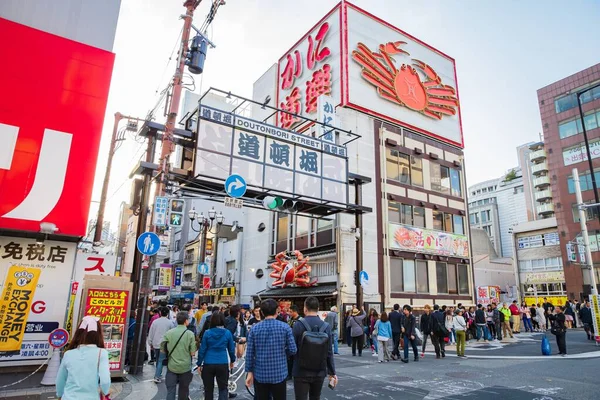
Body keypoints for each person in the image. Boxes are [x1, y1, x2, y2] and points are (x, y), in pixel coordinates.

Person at [245, 298, 297, 400]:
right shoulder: (285, 327)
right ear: (277, 310)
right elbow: (293, 349)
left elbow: (250, 353)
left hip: (260, 373)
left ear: (262, 312)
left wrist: (249, 372)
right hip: (279, 372)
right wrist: (282, 353)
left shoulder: (254, 329)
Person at [292, 297, 337, 400]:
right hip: (320, 370)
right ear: (318, 308)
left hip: (301, 370)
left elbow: (292, 349)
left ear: (305, 308)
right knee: (316, 397)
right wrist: (332, 372)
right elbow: (329, 351)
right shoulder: (326, 326)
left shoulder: (298, 325)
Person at [56, 316, 111, 399]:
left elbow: (60, 379)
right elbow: (105, 380)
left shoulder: (68, 354)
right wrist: (105, 392)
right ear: (99, 334)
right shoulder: (102, 353)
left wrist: (59, 395)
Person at [197, 312, 236, 400]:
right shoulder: (227, 333)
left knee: (208, 389)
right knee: (223, 389)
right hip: (222, 362)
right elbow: (231, 349)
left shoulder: (207, 333)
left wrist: (199, 363)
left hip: (208, 362)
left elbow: (202, 349)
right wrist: (232, 360)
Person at [161, 311, 197, 400]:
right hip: (185, 367)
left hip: (171, 366)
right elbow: (193, 353)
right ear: (186, 321)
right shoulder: (190, 334)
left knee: (170, 391)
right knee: (183, 391)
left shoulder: (169, 333)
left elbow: (162, 350)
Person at [148, 307, 174, 383]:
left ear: (160, 313)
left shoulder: (155, 322)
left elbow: (151, 332)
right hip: (165, 344)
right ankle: (157, 376)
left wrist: (150, 342)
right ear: (167, 314)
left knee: (159, 360)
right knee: (161, 360)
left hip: (156, 343)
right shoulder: (170, 323)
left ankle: (158, 373)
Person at [287, 305, 301, 380]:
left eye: (291, 312)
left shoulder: (301, 320)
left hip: (298, 342)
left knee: (297, 359)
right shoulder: (290, 320)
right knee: (289, 359)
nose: (289, 313)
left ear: (295, 312)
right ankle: (289, 374)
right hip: (290, 342)